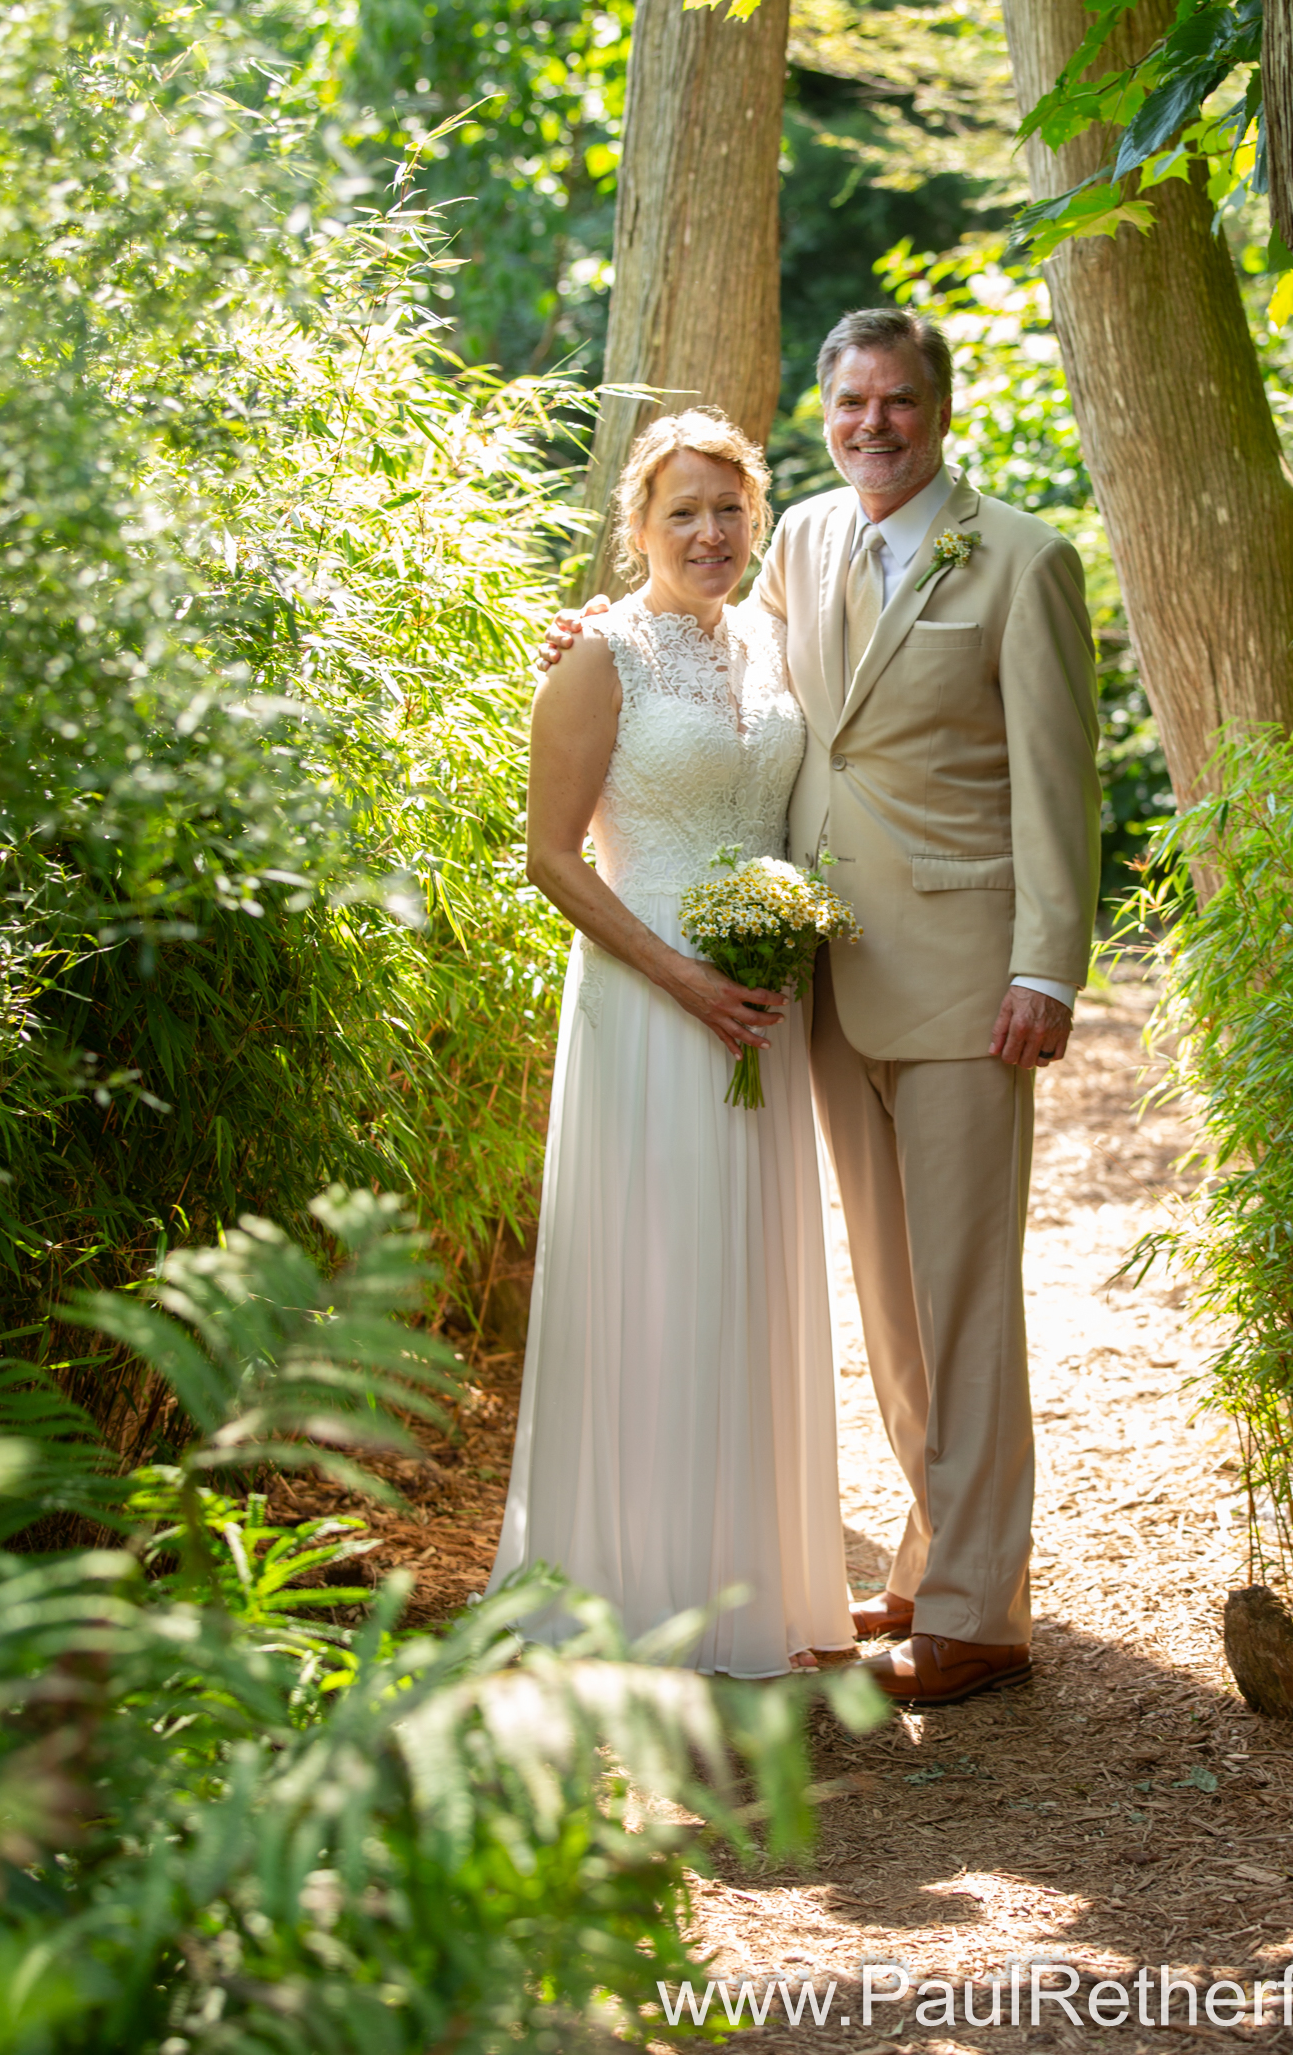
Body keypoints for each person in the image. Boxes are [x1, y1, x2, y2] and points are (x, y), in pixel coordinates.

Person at [548, 308, 1102, 1706]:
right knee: (891, 1297)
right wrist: (591, 638)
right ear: (826, 411)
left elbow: (1058, 779)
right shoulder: (797, 537)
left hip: (968, 978)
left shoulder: (1022, 558)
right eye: (850, 402)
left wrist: (1046, 966)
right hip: (825, 984)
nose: (873, 424)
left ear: (938, 407)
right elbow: (719, 663)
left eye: (897, 400)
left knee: (965, 1296)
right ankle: (929, 1561)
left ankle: (979, 1614)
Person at [485, 408, 851, 1677]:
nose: (709, 532)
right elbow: (549, 856)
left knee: (743, 1284)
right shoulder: (600, 656)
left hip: (760, 1007)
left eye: (728, 508)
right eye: (681, 511)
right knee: (655, 1284)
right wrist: (683, 977)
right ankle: (632, 1584)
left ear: (757, 517)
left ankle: (752, 1580)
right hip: (650, 1003)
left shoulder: (772, 640)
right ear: (635, 527)